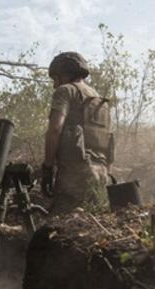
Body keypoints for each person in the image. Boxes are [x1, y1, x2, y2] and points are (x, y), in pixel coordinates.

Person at [40, 51, 112, 214]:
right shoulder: (99, 100)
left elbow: (55, 130)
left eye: (55, 79)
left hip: (75, 176)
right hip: (101, 174)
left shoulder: (66, 91)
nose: (54, 85)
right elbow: (107, 142)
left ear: (64, 74)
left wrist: (48, 168)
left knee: (60, 228)